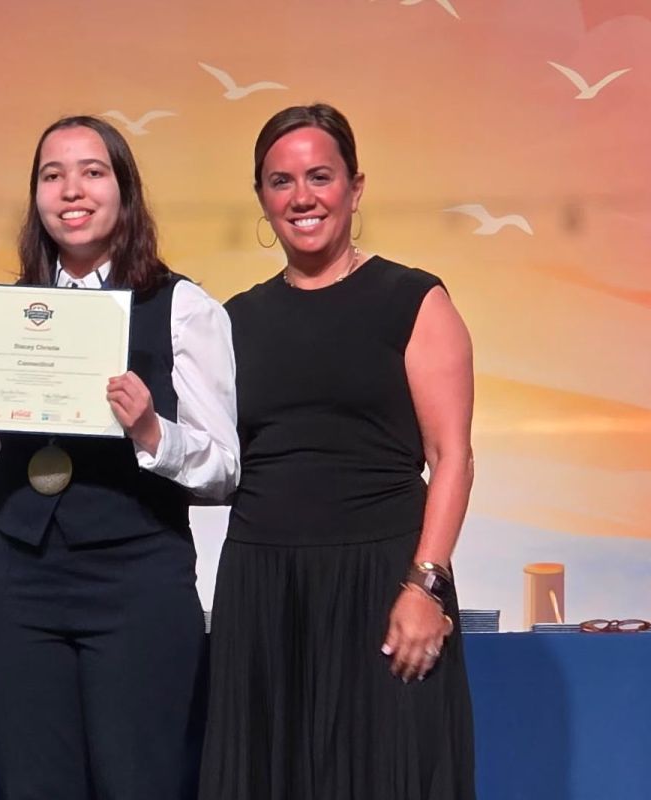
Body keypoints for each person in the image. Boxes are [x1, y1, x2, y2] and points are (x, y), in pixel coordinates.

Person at [198, 103, 476, 799]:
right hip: (263, 591)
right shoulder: (233, 320)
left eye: (319, 176)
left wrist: (426, 585)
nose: (302, 197)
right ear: (261, 198)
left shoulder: (414, 300)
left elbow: (453, 457)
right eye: (280, 181)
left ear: (355, 187)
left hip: (384, 584)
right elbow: (209, 455)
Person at [0, 115, 239, 800]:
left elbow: (225, 466)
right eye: (51, 175)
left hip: (136, 581)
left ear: (124, 191)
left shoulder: (184, 308)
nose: (71, 190)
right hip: (18, 582)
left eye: (91, 171)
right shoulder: (3, 317)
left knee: (136, 784)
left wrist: (150, 430)